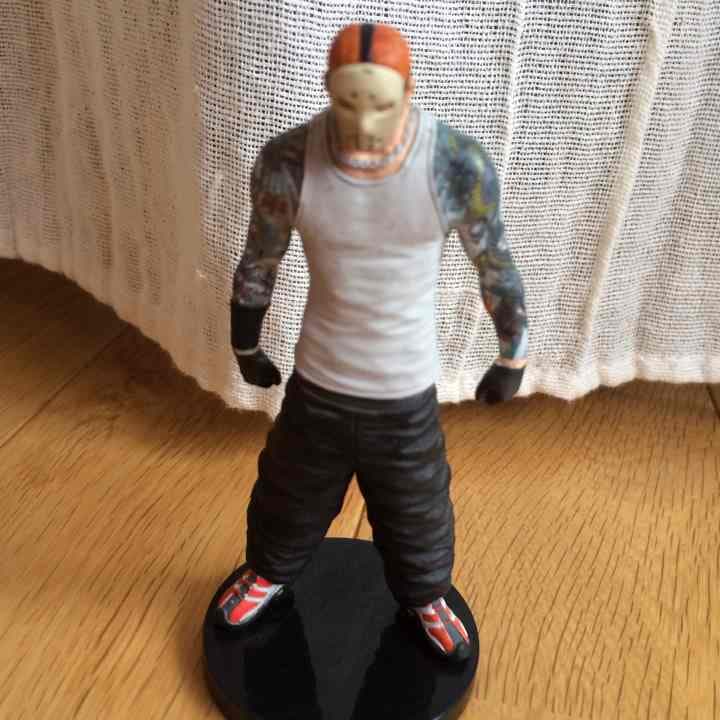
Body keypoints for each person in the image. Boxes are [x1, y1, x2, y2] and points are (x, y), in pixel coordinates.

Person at [216, 22, 528, 664]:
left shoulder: (453, 165)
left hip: (404, 391)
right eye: (347, 103)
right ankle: (269, 574)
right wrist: (246, 345)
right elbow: (260, 259)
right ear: (328, 90)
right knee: (289, 492)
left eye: (381, 105)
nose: (363, 122)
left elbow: (493, 262)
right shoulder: (288, 161)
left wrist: (511, 355)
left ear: (409, 94)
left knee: (416, 506)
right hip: (318, 383)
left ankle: (425, 596)